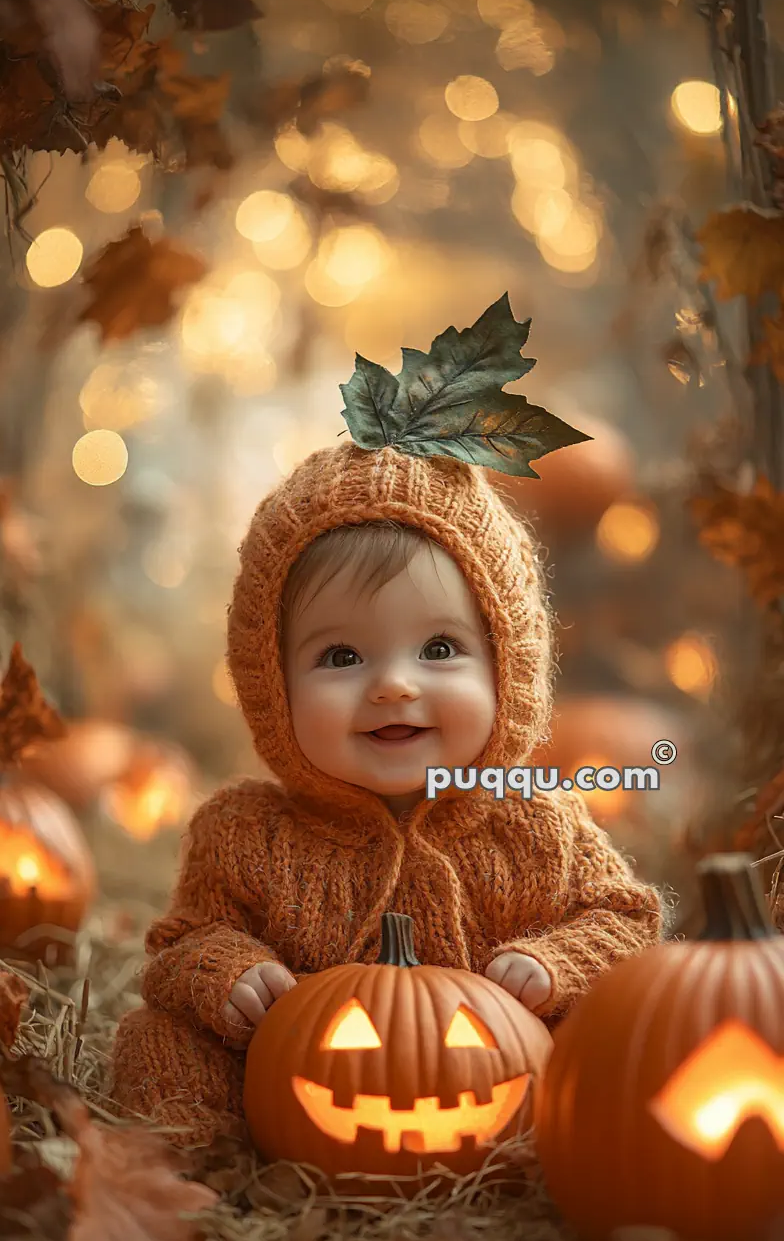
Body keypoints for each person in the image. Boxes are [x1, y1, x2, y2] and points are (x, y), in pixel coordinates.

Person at [109, 438, 666, 1148]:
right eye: (341, 657)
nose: (393, 685)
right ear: (271, 683)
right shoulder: (245, 831)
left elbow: (625, 922)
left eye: (438, 649)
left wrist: (556, 966)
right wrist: (227, 972)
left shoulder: (535, 817)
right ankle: (195, 1169)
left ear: (507, 667)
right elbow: (182, 944)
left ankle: (592, 1150)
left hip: (507, 1081)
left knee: (625, 1033)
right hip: (303, 1088)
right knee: (159, 1040)